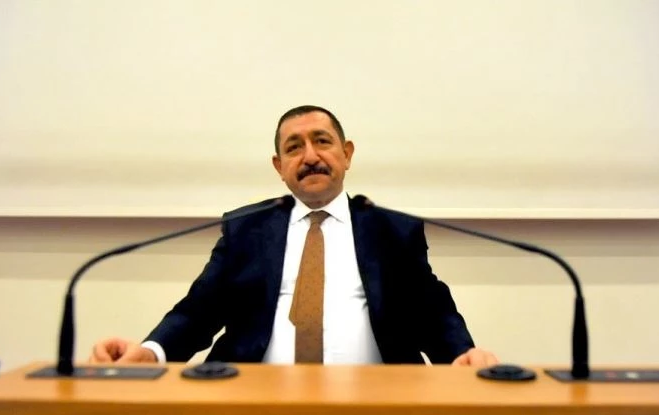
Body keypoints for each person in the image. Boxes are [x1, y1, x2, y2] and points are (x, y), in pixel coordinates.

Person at [90, 105, 498, 367]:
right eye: (294, 147)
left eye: (322, 142)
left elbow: (433, 313)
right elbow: (198, 312)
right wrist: (151, 352)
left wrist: (463, 355)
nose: (310, 156)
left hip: (378, 399)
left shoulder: (392, 229)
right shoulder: (247, 229)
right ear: (279, 166)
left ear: (347, 154)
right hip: (255, 397)